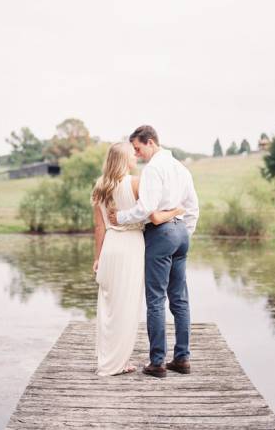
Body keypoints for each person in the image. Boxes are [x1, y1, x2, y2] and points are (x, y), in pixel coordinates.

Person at [108, 125, 199, 378]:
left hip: (161, 235)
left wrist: (120, 218)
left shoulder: (153, 169)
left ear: (150, 142)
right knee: (180, 299)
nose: (136, 154)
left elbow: (145, 209)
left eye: (137, 148)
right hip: (181, 234)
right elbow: (193, 207)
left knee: (156, 300)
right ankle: (182, 359)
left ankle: (157, 362)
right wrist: (184, 232)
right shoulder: (181, 168)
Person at [92, 141, 184, 376]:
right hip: (131, 246)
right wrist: (176, 211)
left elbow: (99, 227)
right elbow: (152, 215)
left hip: (110, 247)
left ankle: (107, 360)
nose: (135, 157)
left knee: (109, 307)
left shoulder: (99, 186)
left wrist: (97, 257)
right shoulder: (135, 182)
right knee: (128, 307)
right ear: (124, 160)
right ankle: (119, 362)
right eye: (131, 155)